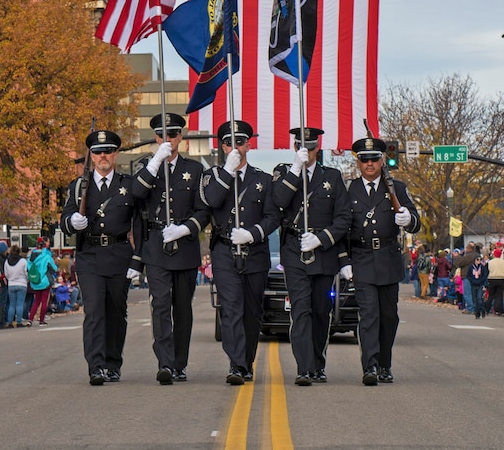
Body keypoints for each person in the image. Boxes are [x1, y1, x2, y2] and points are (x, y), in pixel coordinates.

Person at [199, 120, 281, 386]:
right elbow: (211, 201)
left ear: (249, 144)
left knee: (251, 311)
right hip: (224, 251)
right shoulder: (212, 176)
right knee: (231, 307)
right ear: (221, 146)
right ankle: (236, 364)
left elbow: (273, 216)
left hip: (254, 251)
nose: (234, 146)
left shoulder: (263, 179)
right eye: (228, 142)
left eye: (240, 141)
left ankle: (246, 361)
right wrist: (227, 170)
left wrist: (254, 233)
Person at [129, 112, 208, 384]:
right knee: (160, 304)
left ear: (181, 138)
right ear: (156, 138)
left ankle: (179, 363)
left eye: (173, 135)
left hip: (184, 245)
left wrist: (186, 228)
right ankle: (165, 362)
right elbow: (135, 196)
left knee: (182, 308)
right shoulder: (146, 168)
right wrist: (155, 163)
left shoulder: (195, 169)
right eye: (163, 135)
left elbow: (203, 210)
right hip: (155, 246)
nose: (168, 139)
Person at [60, 129, 142, 386]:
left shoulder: (128, 185)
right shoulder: (78, 187)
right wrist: (73, 221)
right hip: (90, 256)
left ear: (116, 154)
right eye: (97, 152)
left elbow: (139, 224)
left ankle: (112, 363)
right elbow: (63, 223)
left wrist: (137, 259)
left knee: (116, 313)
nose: (103, 155)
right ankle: (96, 366)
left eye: (108, 151)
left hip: (119, 255)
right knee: (94, 311)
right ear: (91, 156)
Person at [271, 126, 351, 386]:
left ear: (319, 148)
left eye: (312, 147)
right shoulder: (283, 172)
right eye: (302, 147)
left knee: (321, 310)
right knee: (301, 309)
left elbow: (343, 217)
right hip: (294, 249)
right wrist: (296, 169)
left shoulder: (333, 176)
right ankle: (304, 367)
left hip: (323, 250)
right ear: (295, 147)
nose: (307, 151)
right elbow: (279, 202)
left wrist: (322, 238)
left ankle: (318, 363)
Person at [342, 136, 420, 386]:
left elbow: (416, 223)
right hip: (362, 259)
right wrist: (344, 261)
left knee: (389, 316)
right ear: (358, 163)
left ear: (382, 160)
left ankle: (385, 364)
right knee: (369, 316)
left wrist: (408, 219)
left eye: (374, 159)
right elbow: (342, 228)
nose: (369, 164)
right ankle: (371, 366)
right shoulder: (349, 189)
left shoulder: (396, 187)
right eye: (364, 160)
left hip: (388, 259)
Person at [26, 239, 58, 326]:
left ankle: (30, 319)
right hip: (45, 280)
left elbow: (28, 268)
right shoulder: (47, 256)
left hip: (35, 280)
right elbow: (54, 269)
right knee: (44, 301)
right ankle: (41, 320)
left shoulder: (30, 258)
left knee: (36, 301)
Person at [4, 245, 29, 327]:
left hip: (11, 284)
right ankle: (19, 322)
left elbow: (6, 274)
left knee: (12, 305)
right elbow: (26, 272)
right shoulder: (23, 261)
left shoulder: (7, 262)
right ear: (19, 252)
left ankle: (10, 322)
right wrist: (26, 279)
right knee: (19, 304)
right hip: (22, 283)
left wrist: (10, 279)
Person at [466, 251, 489, 319]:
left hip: (480, 284)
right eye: (477, 259)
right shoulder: (471, 267)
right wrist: (472, 281)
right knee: (474, 300)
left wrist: (481, 281)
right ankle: (477, 313)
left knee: (479, 298)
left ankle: (482, 310)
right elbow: (468, 275)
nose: (479, 261)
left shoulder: (482, 267)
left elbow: (485, 275)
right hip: (473, 284)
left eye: (480, 259)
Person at [486, 248, 504, 315]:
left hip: (492, 278)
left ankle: (487, 309)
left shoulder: (490, 262)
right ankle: (498, 310)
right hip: (501, 279)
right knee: (499, 296)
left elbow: (487, 270)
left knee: (491, 295)